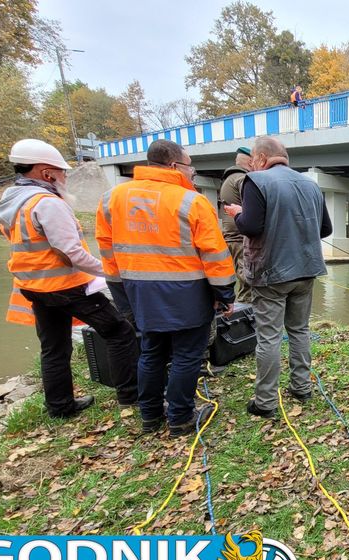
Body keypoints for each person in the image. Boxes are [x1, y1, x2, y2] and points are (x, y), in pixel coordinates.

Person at [0, 139, 138, 418]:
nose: (65, 177)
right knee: (119, 332)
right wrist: (110, 271)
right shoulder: (47, 203)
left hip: (33, 286)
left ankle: (60, 406)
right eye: (62, 171)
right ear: (46, 173)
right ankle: (130, 396)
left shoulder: (14, 202)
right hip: (65, 287)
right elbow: (70, 253)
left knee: (54, 348)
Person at [96, 140, 236, 435]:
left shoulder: (113, 198)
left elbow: (107, 251)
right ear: (175, 166)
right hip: (187, 293)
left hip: (138, 292)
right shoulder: (191, 201)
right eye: (190, 167)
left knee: (151, 352)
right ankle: (181, 417)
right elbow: (215, 254)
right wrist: (224, 296)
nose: (192, 173)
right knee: (187, 355)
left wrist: (122, 295)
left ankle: (149, 415)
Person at [223, 136, 332, 419]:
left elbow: (251, 226)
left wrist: (237, 213)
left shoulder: (256, 182)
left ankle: (265, 402)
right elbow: (325, 229)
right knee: (299, 331)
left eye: (252, 162)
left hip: (271, 274)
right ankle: (301, 388)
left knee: (269, 337)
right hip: (306, 271)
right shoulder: (311, 184)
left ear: (259, 158)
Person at [218, 146, 254, 303]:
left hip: (232, 236)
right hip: (240, 237)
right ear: (251, 161)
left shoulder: (230, 178)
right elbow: (255, 205)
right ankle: (247, 312)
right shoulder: (242, 179)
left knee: (243, 276)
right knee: (248, 278)